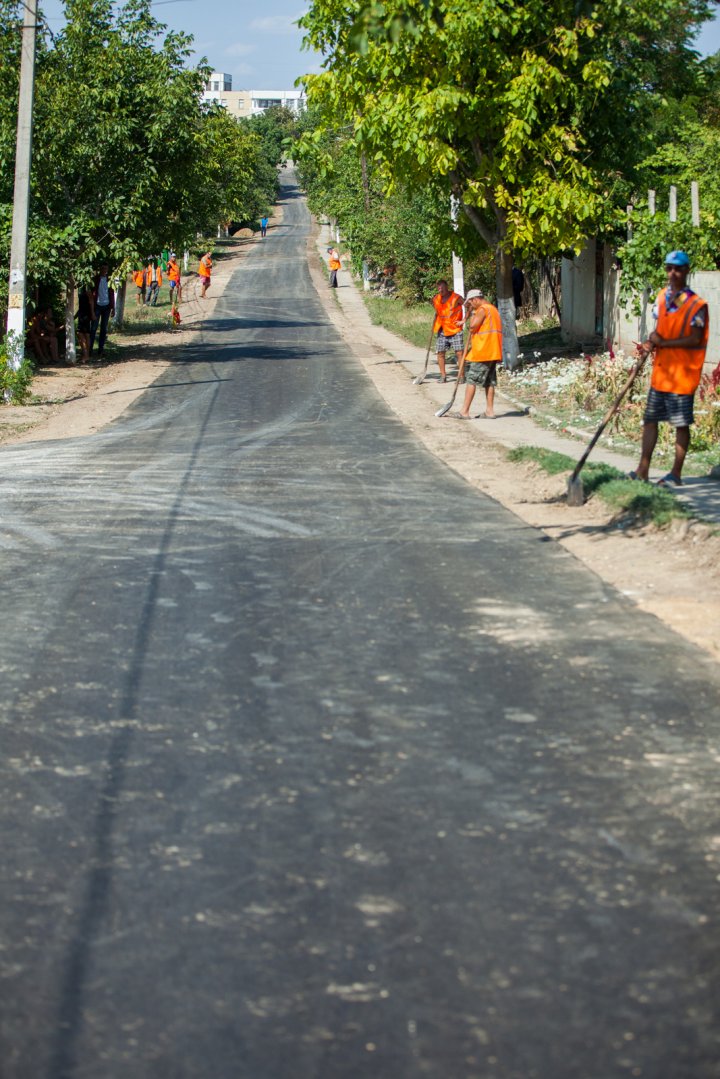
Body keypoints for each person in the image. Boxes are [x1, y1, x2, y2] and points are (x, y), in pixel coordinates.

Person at [630, 250, 709, 487]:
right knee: (650, 420)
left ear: (686, 271)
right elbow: (661, 328)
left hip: (683, 375)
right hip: (662, 374)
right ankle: (642, 470)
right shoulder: (663, 297)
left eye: (678, 269)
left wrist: (663, 342)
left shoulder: (697, 305)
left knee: (680, 424)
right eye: (669, 268)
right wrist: (651, 342)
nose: (673, 273)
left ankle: (676, 474)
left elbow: (695, 338)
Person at [455, 289, 503, 419]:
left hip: (483, 351)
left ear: (475, 299)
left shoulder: (482, 310)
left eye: (470, 302)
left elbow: (473, 327)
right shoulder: (493, 309)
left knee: (472, 380)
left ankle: (464, 411)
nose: (470, 305)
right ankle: (489, 411)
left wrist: (472, 315)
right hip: (493, 350)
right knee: (489, 381)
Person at [431, 279, 465, 382]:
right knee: (440, 352)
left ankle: (462, 376)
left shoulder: (456, 297)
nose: (440, 290)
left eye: (442, 287)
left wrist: (464, 320)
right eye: (439, 288)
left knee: (459, 353)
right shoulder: (436, 299)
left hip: (455, 329)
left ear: (447, 287)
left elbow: (469, 306)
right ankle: (443, 376)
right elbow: (437, 310)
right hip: (442, 329)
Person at [90, 264, 115, 358]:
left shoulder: (109, 280)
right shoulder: (96, 280)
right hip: (97, 306)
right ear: (100, 269)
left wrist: (113, 308)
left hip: (106, 307)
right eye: (103, 268)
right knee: (93, 329)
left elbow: (112, 294)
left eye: (106, 269)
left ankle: (101, 350)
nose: (104, 270)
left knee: (103, 329)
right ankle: (90, 350)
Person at [76, 284, 95, 363]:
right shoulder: (81, 291)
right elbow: (81, 306)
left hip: (85, 316)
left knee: (83, 335)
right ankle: (85, 354)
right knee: (83, 335)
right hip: (82, 314)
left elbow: (91, 302)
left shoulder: (87, 291)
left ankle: (86, 355)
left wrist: (92, 313)